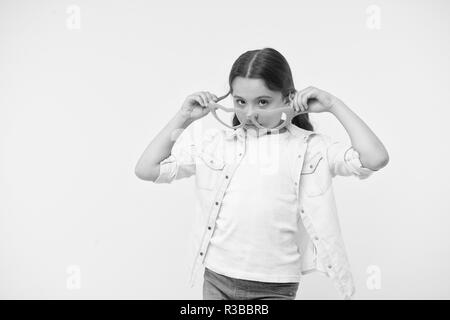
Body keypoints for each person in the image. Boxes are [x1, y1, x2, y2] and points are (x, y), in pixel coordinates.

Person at [135, 47, 389, 300]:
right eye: (240, 102)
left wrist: (334, 105)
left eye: (263, 102)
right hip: (217, 278)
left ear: (289, 98)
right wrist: (184, 117)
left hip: (276, 286)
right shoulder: (215, 144)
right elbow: (147, 169)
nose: (249, 113)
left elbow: (375, 158)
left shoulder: (312, 148)